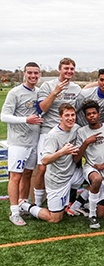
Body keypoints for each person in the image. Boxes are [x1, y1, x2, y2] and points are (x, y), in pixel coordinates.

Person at [19, 103, 83, 223]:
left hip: (73, 174)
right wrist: (62, 152)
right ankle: (24, 205)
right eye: (67, 115)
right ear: (60, 117)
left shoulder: (76, 128)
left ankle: (77, 204)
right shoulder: (52, 136)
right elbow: (45, 160)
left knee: (96, 178)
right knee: (54, 219)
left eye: (73, 115)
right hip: (57, 180)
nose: (70, 118)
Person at [1, 62, 43, 225]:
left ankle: (22, 203)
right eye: (30, 73)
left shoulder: (39, 93)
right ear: (24, 73)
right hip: (18, 143)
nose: (33, 76)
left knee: (27, 174)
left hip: (34, 141)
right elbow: (4, 116)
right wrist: (26, 120)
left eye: (36, 73)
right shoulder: (15, 92)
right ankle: (13, 212)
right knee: (15, 176)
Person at [35, 57, 81, 207]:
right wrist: (54, 93)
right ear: (59, 69)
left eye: (71, 69)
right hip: (50, 131)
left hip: (69, 132)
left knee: (71, 165)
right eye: (66, 68)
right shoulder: (48, 86)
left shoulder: (76, 88)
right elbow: (41, 108)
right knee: (42, 167)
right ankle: (36, 202)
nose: (69, 71)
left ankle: (68, 200)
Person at [74, 100, 104, 229]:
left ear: (99, 114)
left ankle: (82, 204)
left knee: (102, 214)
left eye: (94, 113)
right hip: (91, 168)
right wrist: (86, 143)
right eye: (88, 114)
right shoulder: (82, 132)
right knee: (96, 179)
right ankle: (92, 216)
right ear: (85, 117)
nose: (91, 116)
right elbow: (76, 158)